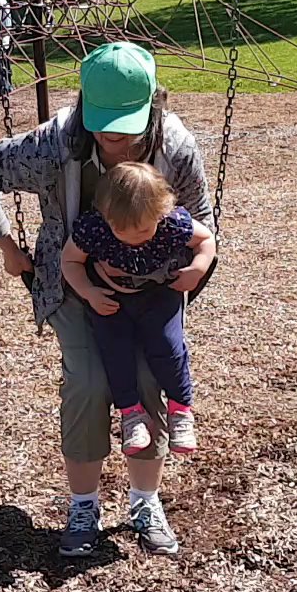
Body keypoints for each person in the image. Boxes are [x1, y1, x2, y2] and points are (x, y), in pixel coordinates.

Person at [0, 41, 212, 558]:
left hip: (152, 289)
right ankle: (84, 504)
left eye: (128, 122)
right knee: (90, 381)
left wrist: (193, 270)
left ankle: (145, 501)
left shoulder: (176, 148)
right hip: (73, 281)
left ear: (154, 104)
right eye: (104, 121)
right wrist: (7, 245)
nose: (115, 136)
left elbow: (204, 220)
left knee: (147, 378)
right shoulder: (56, 145)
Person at [62, 161, 214, 458]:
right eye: (122, 231)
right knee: (114, 352)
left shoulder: (173, 223)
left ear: (160, 212)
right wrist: (88, 292)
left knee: (168, 347)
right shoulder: (94, 229)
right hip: (110, 298)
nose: (134, 237)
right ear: (105, 217)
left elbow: (206, 239)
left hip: (159, 295)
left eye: (143, 230)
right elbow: (70, 261)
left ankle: (181, 410)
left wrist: (198, 268)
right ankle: (131, 414)